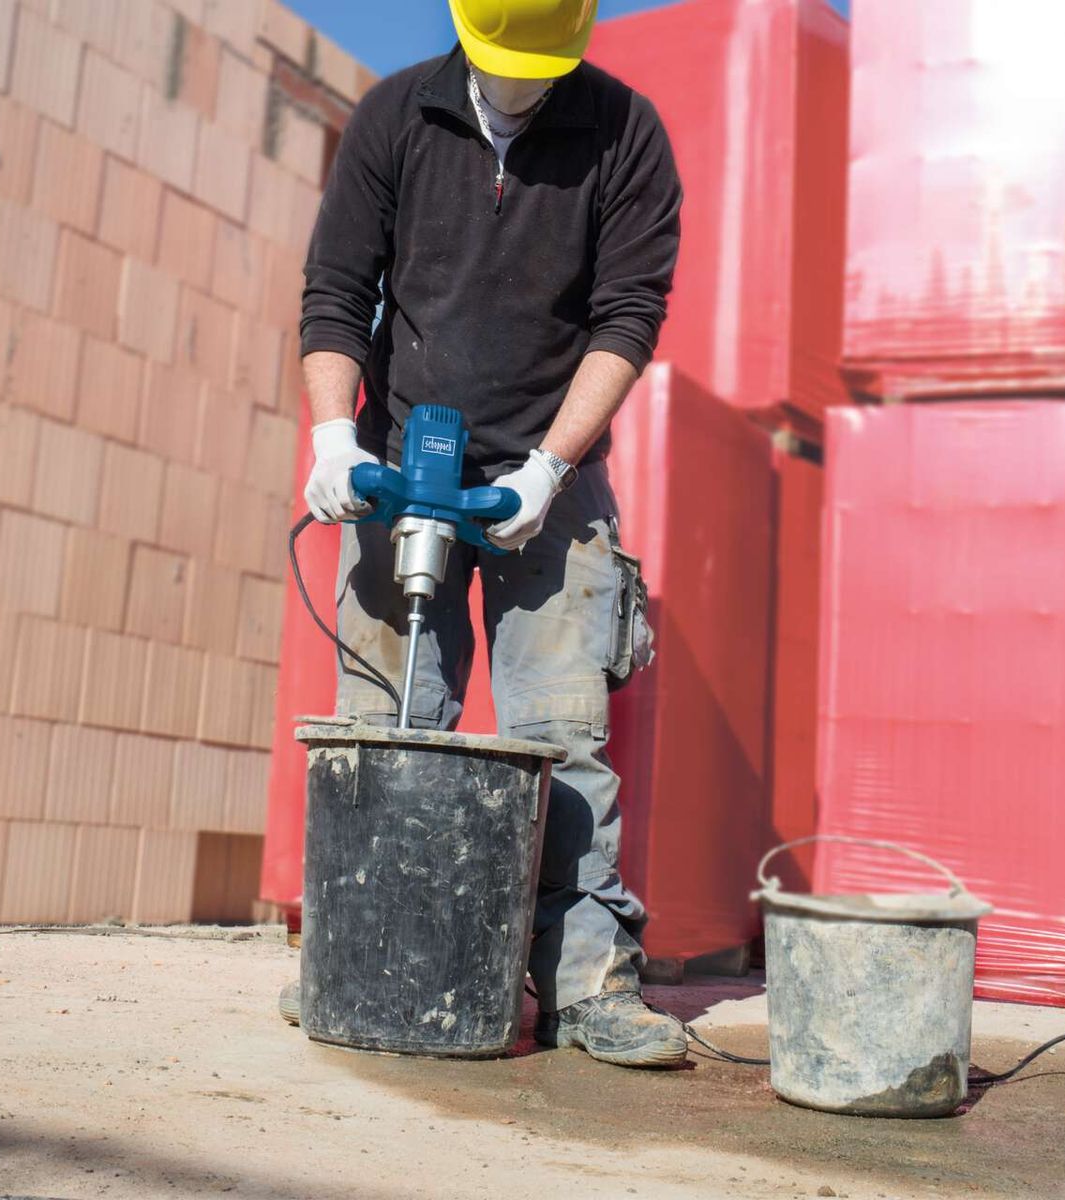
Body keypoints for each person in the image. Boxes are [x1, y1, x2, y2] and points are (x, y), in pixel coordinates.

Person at [291, 0, 684, 1067]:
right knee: (382, 718)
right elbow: (337, 291)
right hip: (399, 464)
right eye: (501, 65)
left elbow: (628, 317)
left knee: (566, 734)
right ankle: (360, 953)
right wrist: (335, 438)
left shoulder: (624, 134)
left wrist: (549, 470)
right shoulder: (395, 117)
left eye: (537, 69)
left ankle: (589, 984)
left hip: (550, 469)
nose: (517, 86)